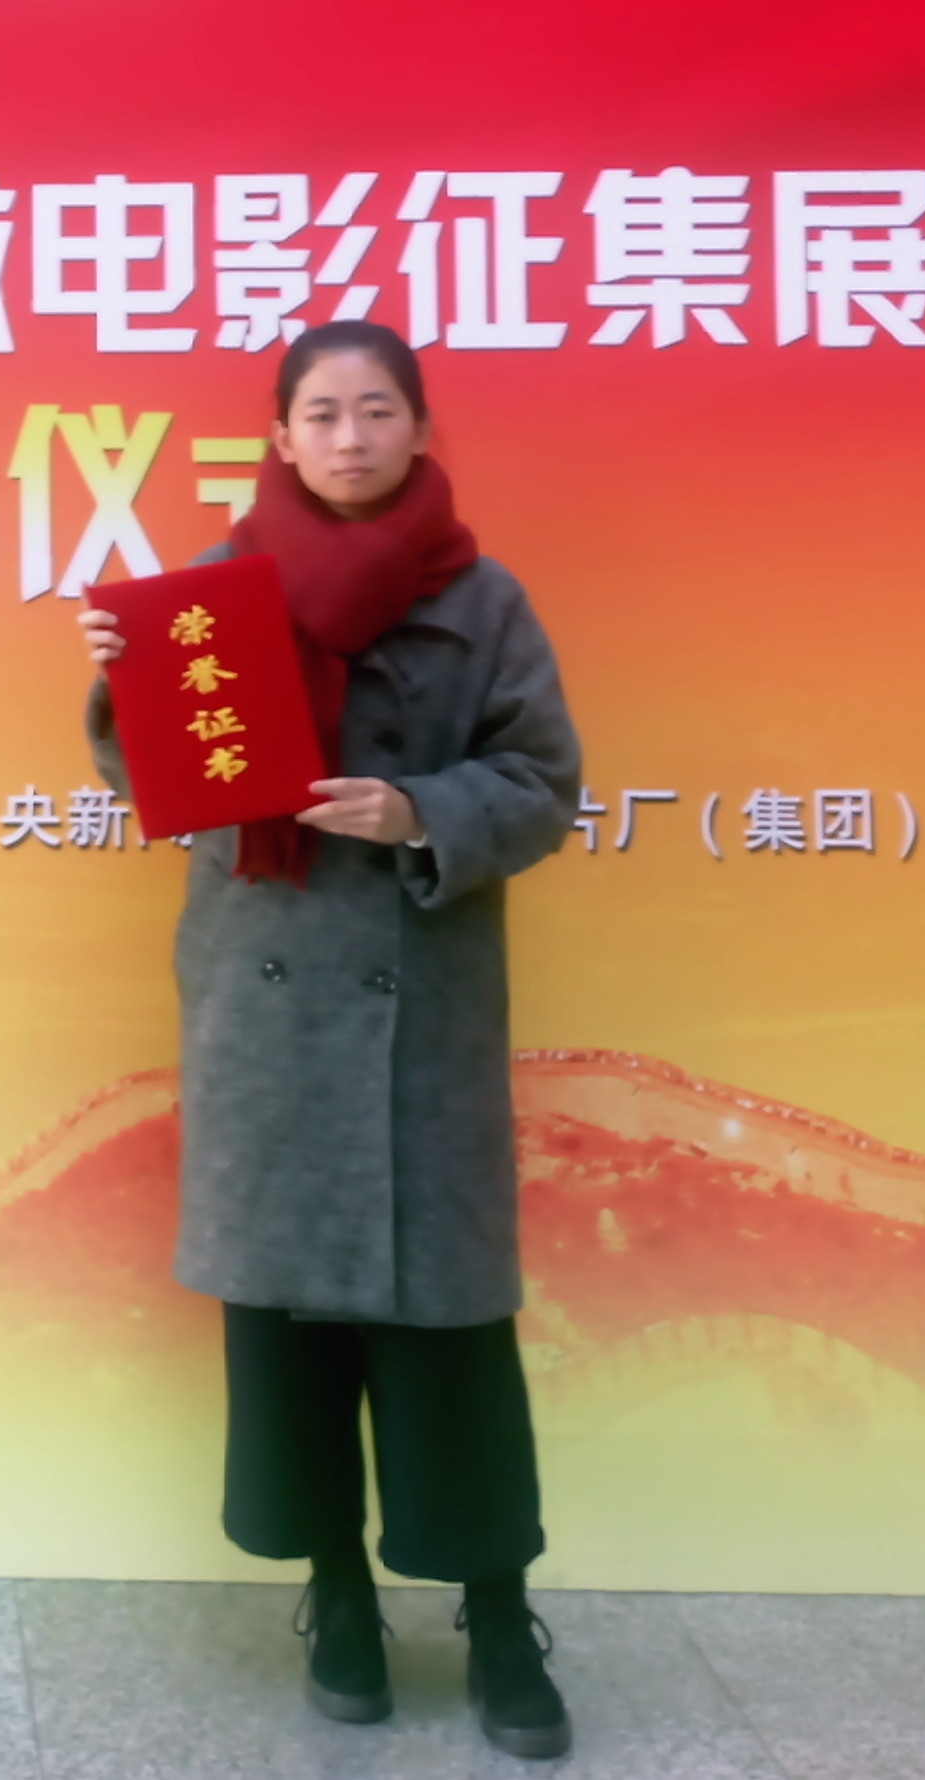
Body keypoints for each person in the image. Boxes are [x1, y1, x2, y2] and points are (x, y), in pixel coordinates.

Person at [80, 319, 583, 1760]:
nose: (350, 437)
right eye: (322, 413)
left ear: (419, 429)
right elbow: (159, 784)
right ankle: (340, 1597)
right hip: (266, 1013)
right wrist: (123, 680)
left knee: (450, 1338)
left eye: (376, 410)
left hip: (420, 1008)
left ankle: (498, 1618)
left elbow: (543, 781)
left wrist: (420, 810)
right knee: (289, 1327)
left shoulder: (483, 598)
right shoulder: (210, 595)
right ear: (280, 436)